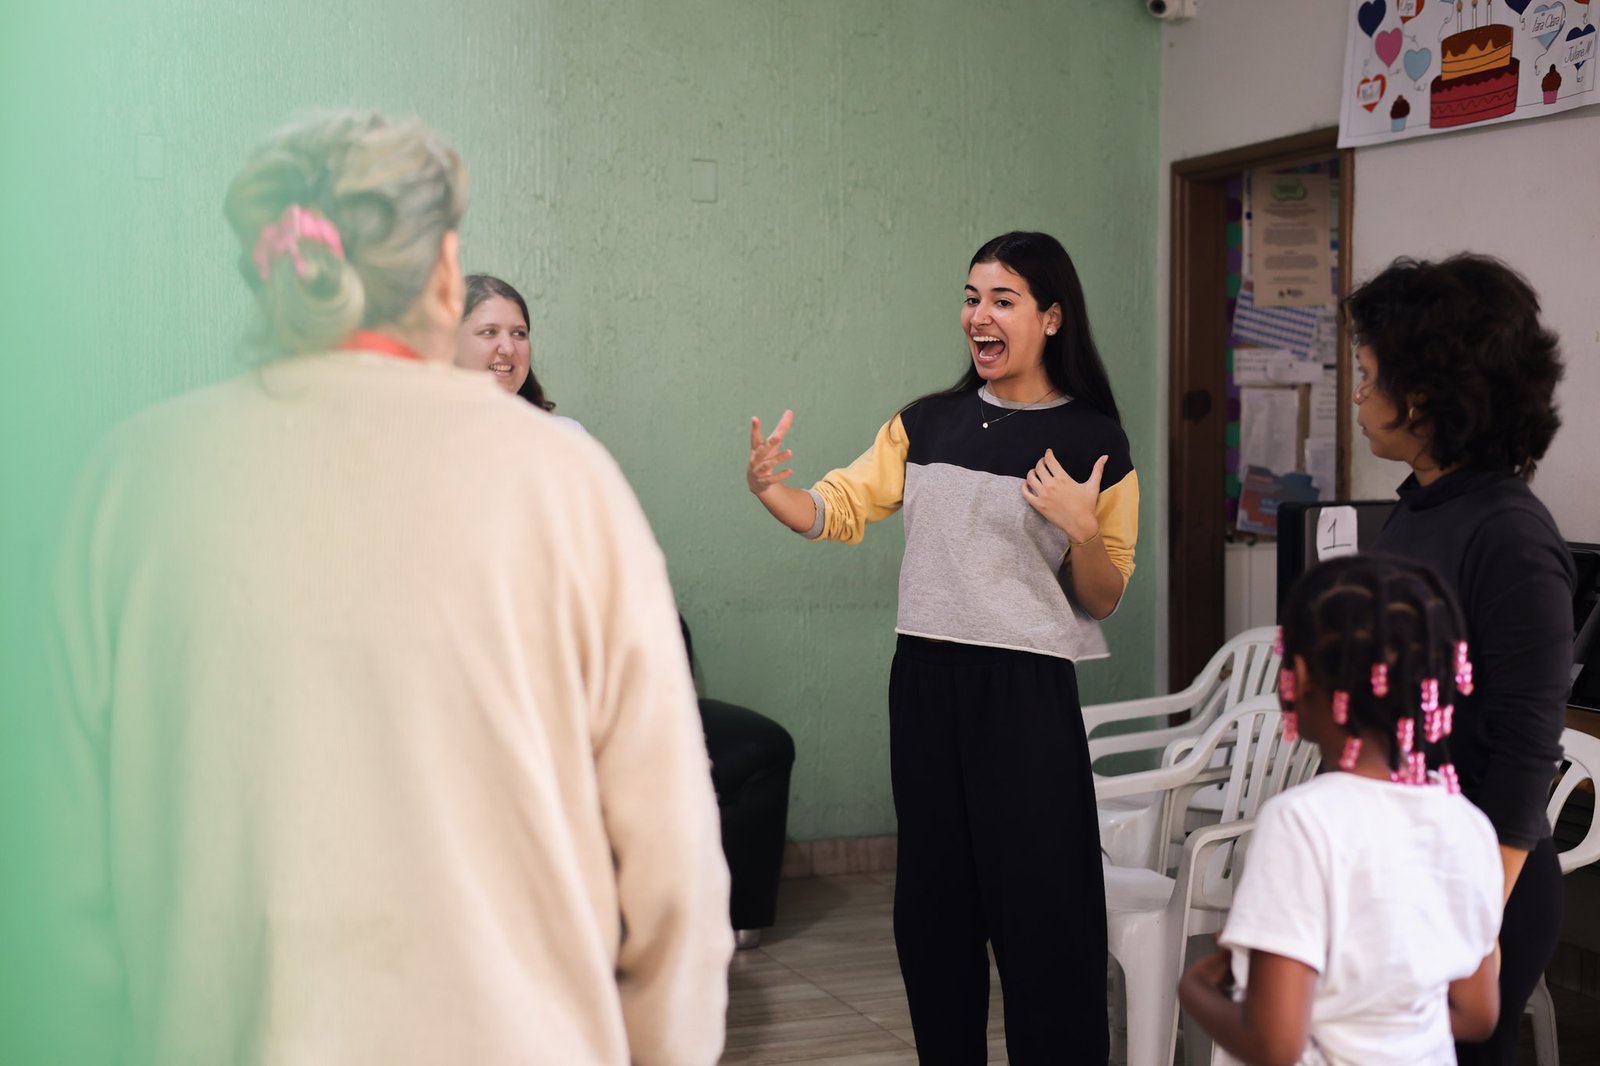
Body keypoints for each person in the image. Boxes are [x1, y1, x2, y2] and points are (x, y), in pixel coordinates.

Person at [44, 111, 731, 1065]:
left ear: (264, 268)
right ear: (445, 275)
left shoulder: (128, 485)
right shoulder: (562, 483)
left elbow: (53, 882)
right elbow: (672, 868)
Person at [746, 231, 1138, 1064]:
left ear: (1052, 317)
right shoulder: (926, 422)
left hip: (1026, 690)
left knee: (1043, 914)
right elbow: (840, 507)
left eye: (1002, 300)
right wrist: (775, 492)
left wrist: (1081, 532)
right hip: (924, 682)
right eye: (971, 297)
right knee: (934, 913)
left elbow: (1103, 594)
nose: (979, 316)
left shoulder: (1091, 440)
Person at [1347, 254, 1572, 1065]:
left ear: (1425, 396)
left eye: (1368, 375)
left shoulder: (1508, 533)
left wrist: (1471, 927)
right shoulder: (1419, 511)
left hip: (1479, 887)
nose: (1358, 395)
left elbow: (1522, 753)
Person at [1179, 555, 1503, 1066]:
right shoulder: (1469, 823)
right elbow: (1478, 1012)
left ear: (1300, 674)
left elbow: (1275, 1046)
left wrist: (1195, 985)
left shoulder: (1302, 821)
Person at [455, 272, 584, 430]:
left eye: (518, 333)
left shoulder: (565, 436)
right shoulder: (421, 437)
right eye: (489, 332)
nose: (508, 348)